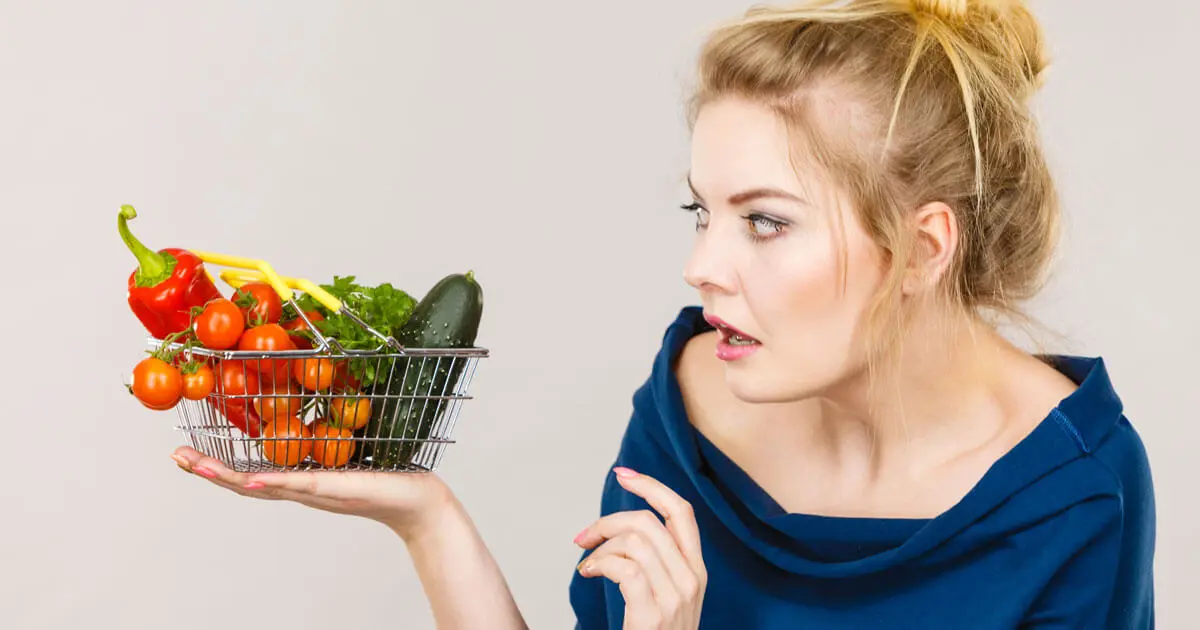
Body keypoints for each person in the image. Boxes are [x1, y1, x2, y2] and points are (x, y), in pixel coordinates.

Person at [171, 0, 1157, 627]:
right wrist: (428, 523)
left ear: (924, 248)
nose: (700, 267)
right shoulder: (689, 398)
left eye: (765, 222)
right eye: (703, 212)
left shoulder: (1076, 498)